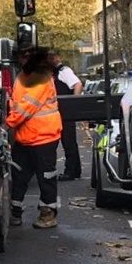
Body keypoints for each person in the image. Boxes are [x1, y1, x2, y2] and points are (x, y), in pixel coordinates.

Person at [6, 47, 63, 229]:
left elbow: (25, 107)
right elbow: (15, 103)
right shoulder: (25, 76)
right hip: (27, 137)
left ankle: (47, 214)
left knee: (45, 177)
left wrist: (6, 124)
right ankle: (15, 212)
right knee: (19, 176)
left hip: (43, 137)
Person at [48, 51, 83, 181]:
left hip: (65, 112)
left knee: (68, 143)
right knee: (67, 142)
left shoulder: (64, 71)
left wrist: (73, 102)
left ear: (57, 58)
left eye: (52, 57)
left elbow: (78, 84)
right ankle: (74, 170)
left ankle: (71, 171)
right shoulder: (53, 73)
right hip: (57, 113)